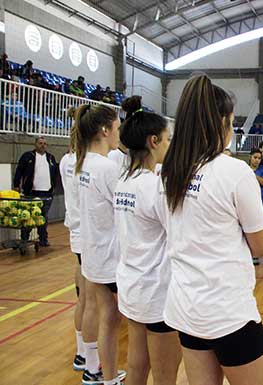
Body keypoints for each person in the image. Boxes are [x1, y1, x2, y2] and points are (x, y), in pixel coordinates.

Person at [160, 75, 263, 385]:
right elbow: (261, 248)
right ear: (219, 123)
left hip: (186, 308)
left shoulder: (170, 172)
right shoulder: (235, 171)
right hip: (228, 311)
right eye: (232, 123)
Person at [114, 105, 181, 385]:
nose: (169, 145)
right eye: (166, 139)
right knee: (165, 373)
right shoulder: (155, 187)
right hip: (156, 291)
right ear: (153, 141)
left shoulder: (123, 182)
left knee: (136, 363)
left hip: (132, 284)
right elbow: (178, 232)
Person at [73, 104, 126, 385]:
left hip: (93, 253)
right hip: (109, 256)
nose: (119, 134)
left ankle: (103, 374)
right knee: (114, 320)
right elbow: (124, 212)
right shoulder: (106, 167)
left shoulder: (84, 163)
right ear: (105, 130)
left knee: (107, 317)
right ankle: (106, 375)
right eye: (117, 128)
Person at [59, 121, 91, 372]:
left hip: (77, 234)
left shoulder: (65, 160)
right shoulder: (93, 163)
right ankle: (90, 362)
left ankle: (83, 354)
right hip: (91, 236)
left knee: (84, 296)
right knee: (92, 302)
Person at [13, 136, 59, 247]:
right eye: (40, 143)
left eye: (44, 143)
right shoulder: (28, 156)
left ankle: (43, 239)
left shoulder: (50, 158)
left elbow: (55, 173)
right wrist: (16, 185)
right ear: (35, 144)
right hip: (32, 193)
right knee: (28, 216)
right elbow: (19, 171)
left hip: (46, 193)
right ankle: (24, 239)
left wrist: (53, 187)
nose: (42, 145)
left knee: (43, 217)